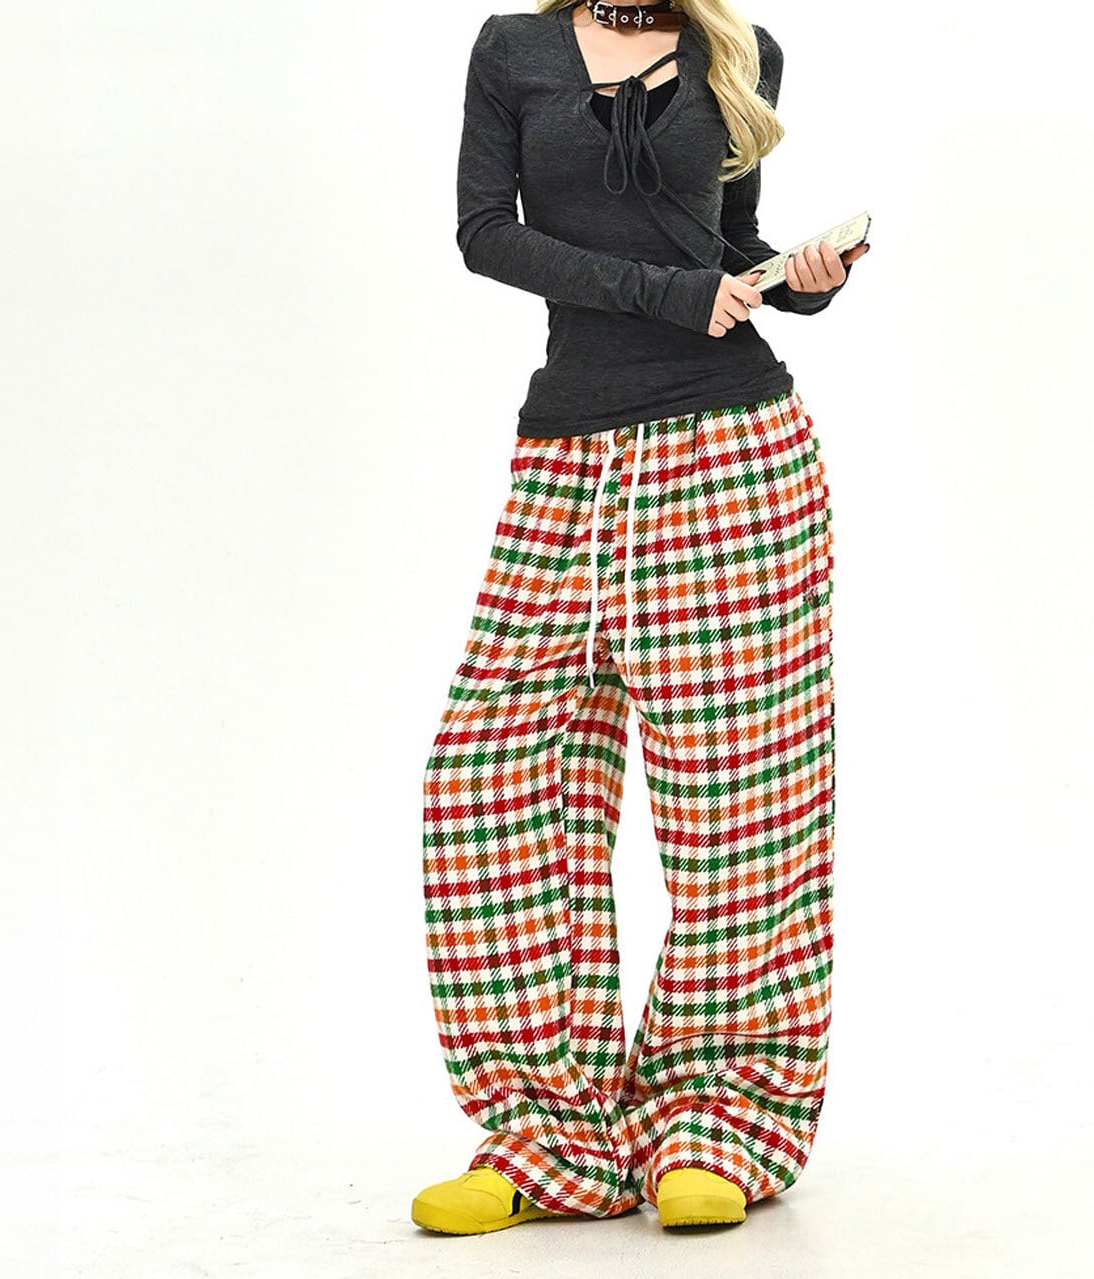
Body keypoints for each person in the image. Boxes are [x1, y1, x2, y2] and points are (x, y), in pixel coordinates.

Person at [412, 0, 869, 1235]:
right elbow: (483, 233)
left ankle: (716, 1119)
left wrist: (802, 284)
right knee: (490, 775)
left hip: (735, 450)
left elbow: (727, 246)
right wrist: (666, 296)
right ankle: (547, 1132)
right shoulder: (515, 49)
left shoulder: (738, 49)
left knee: (739, 803)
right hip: (570, 450)